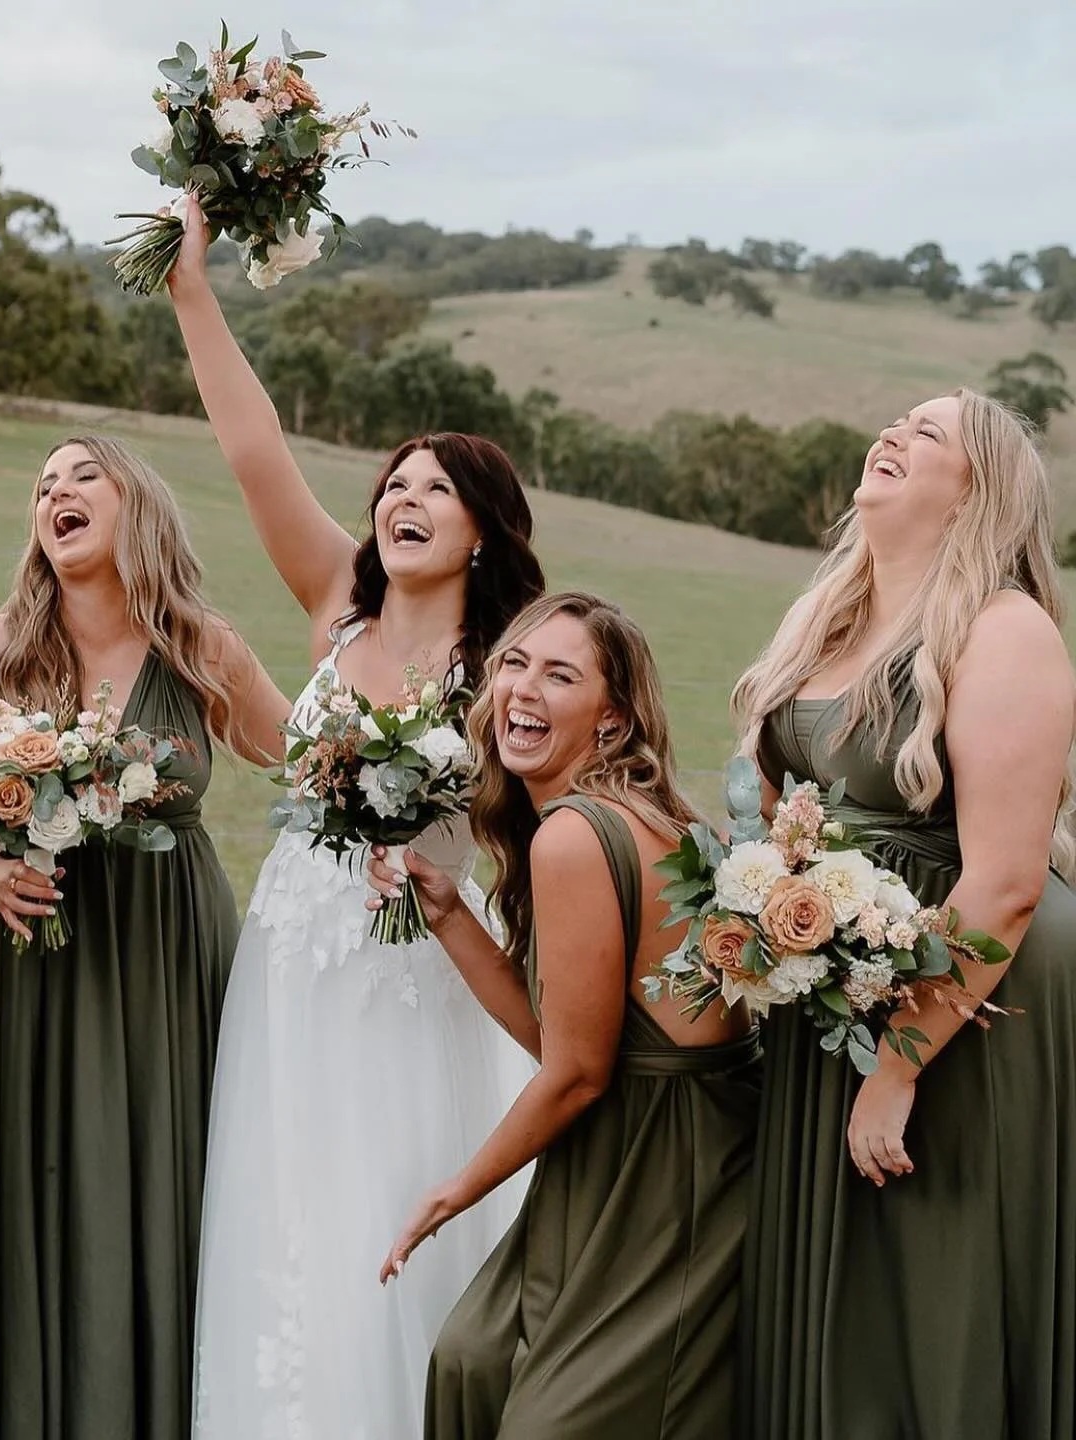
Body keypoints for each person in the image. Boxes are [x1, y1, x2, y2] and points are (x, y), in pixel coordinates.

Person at [168, 196, 548, 1438]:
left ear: (483, 527)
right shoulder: (339, 604)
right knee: (295, 1206)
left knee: (402, 1191)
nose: (403, 498)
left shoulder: (516, 666)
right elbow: (254, 451)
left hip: (430, 965)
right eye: (393, 484)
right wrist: (193, 290)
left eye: (435, 487)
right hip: (298, 955)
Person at [0, 435, 288, 1440]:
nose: (58, 493)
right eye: (44, 484)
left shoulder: (200, 645)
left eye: (85, 477)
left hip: (170, 953)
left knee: (171, 1177)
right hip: (38, 951)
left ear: (139, 507)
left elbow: (307, 766)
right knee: (40, 1181)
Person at [731, 390, 1076, 1439]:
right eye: (897, 423)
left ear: (978, 493)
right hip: (837, 989)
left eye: (929, 435)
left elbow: (1006, 878)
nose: (893, 435)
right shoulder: (829, 615)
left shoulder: (1005, 631)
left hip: (965, 1005)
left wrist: (897, 1065)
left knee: (926, 1302)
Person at [369, 591, 760, 1438]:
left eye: (560, 675)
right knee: (472, 1357)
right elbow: (566, 1041)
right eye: (515, 663)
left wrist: (454, 1193)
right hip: (617, 1145)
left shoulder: (577, 835)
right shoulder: (594, 817)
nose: (523, 689)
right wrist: (449, 912)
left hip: (673, 1171)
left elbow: (577, 1073)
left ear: (612, 720)